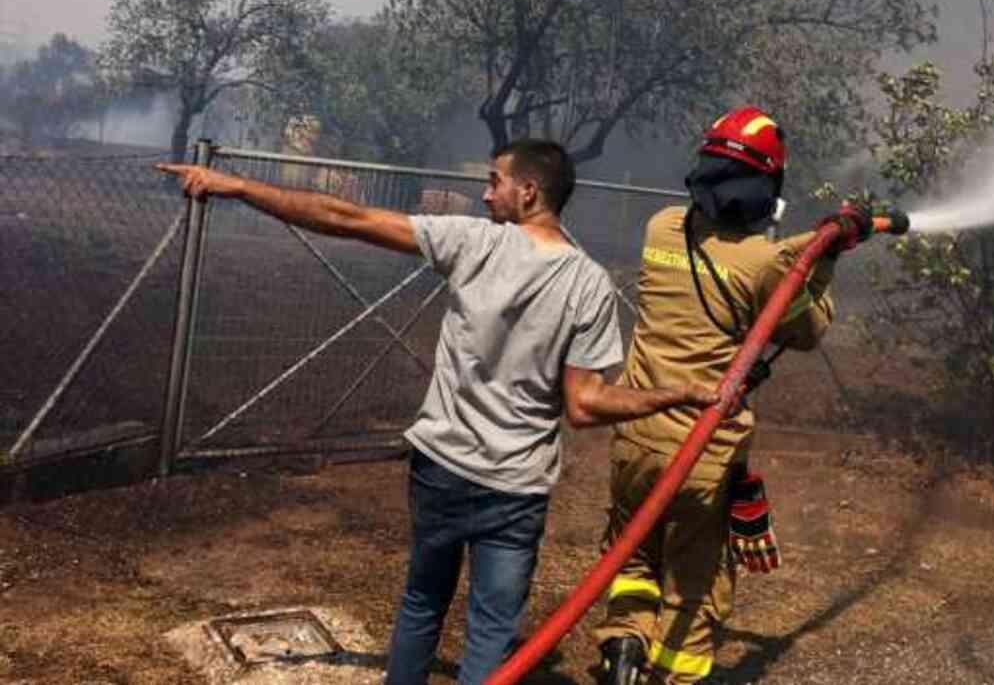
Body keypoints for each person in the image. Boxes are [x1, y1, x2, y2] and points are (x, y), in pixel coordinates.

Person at [157, 140, 717, 685]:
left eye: (494, 181)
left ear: (528, 191)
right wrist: (674, 393)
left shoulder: (473, 242)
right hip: (515, 489)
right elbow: (586, 405)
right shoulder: (588, 283)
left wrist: (235, 185)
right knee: (493, 631)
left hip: (442, 471)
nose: (483, 194)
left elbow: (344, 217)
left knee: (423, 603)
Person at [592, 106, 872, 684]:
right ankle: (678, 673)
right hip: (701, 454)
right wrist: (827, 255)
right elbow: (806, 328)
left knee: (632, 555)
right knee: (695, 582)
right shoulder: (767, 265)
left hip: (635, 437)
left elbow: (747, 254)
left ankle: (622, 646)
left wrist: (816, 243)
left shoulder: (660, 227)